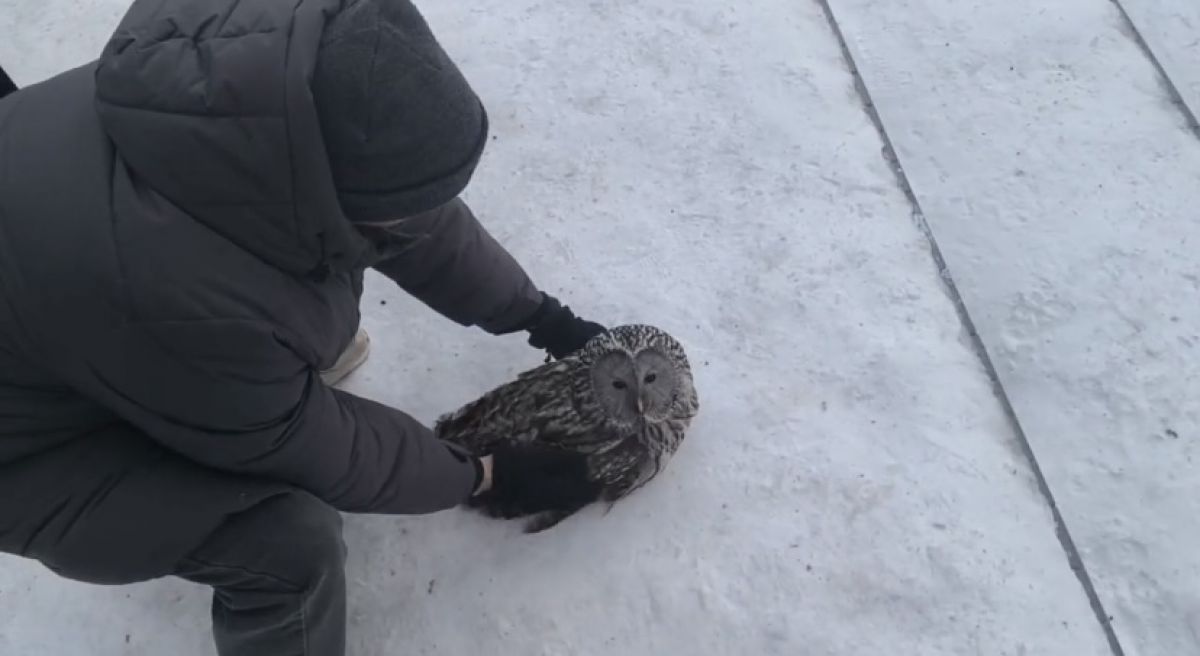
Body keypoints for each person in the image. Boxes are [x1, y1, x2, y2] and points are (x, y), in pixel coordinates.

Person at [0, 0, 607, 654]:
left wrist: (539, 316)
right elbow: (314, 447)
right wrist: (482, 475)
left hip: (70, 330)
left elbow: (416, 218)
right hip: (27, 454)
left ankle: (231, 389)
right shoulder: (184, 298)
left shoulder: (256, 92)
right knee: (287, 544)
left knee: (299, 296)